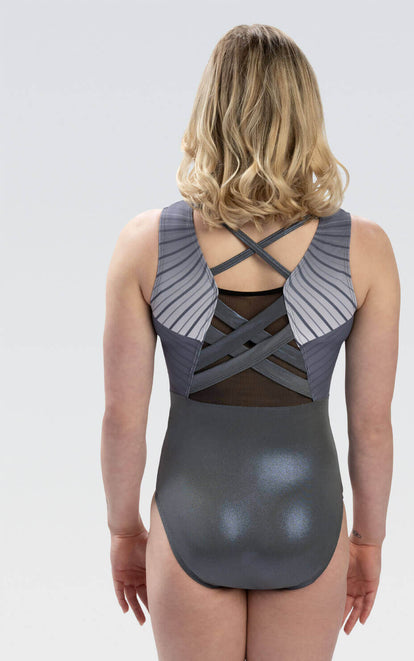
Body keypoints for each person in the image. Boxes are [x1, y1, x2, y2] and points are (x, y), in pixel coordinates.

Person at [101, 24, 399, 661]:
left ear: (209, 113)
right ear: (304, 117)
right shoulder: (366, 251)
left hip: (190, 516)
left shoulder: (144, 244)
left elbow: (123, 418)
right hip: (307, 517)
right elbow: (372, 425)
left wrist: (124, 531)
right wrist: (369, 540)